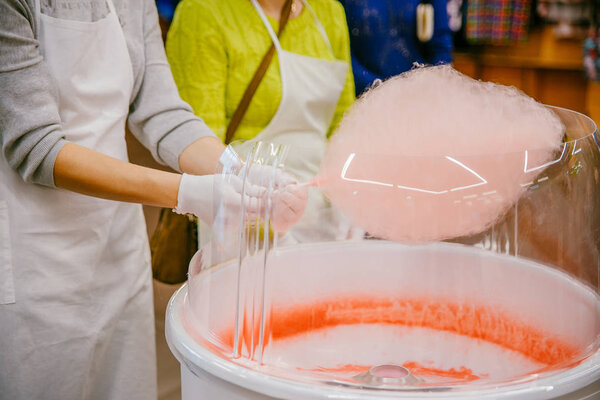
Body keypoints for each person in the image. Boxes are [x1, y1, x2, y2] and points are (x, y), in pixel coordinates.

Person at [0, 0, 298, 398]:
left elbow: (160, 108)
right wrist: (185, 191)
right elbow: (36, 146)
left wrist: (235, 168)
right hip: (39, 260)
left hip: (118, 247)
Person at [166, 0, 357, 244]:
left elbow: (344, 122)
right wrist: (262, 222)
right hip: (245, 215)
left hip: (327, 216)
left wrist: (349, 200)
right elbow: (197, 142)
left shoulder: (329, 11)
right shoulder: (202, 11)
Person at [340, 0, 454, 95]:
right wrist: (381, 90)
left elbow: (441, 50)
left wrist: (427, 88)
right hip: (363, 98)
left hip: (418, 97)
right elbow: (342, 54)